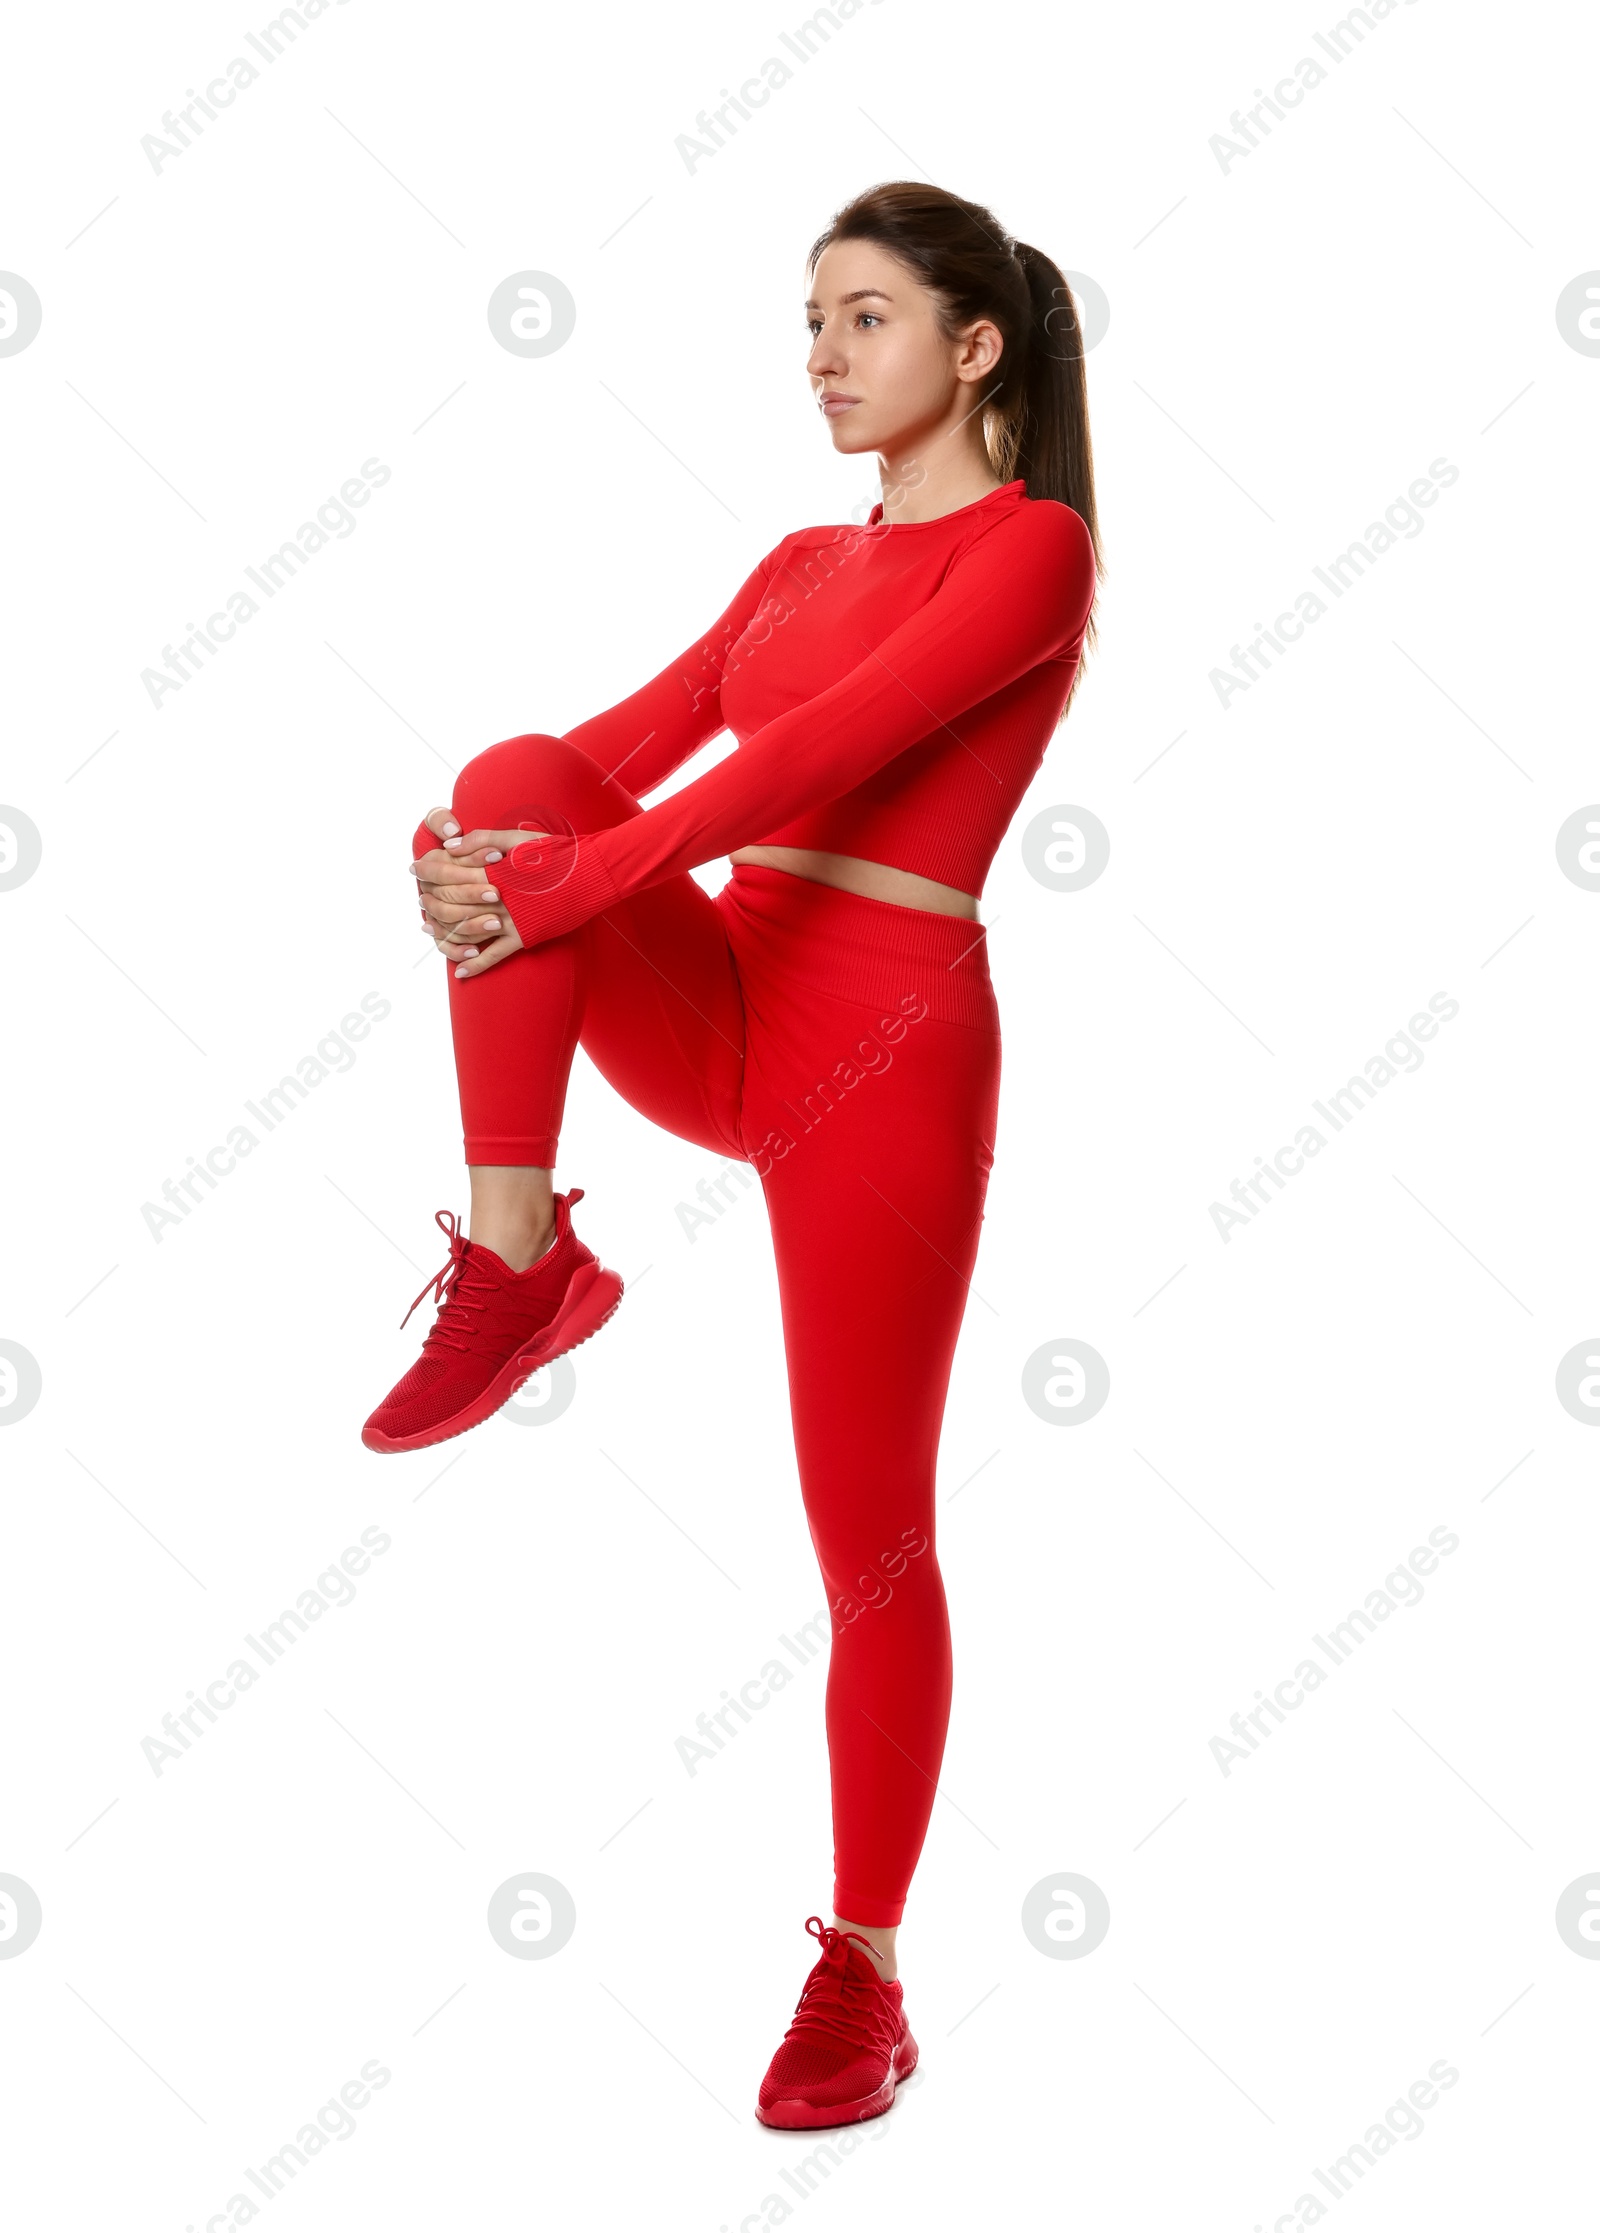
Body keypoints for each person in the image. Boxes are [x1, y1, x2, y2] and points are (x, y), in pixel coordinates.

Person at [362, 178, 1101, 2130]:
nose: (821, 359)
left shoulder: (1028, 557)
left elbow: (807, 762)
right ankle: (522, 1258)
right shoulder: (791, 559)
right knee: (512, 782)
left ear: (972, 346)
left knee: (866, 1533)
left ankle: (860, 1968)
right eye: (808, 322)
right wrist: (466, 848)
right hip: (730, 993)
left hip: (883, 1051)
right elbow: (619, 747)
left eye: (863, 320)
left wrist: (566, 882)